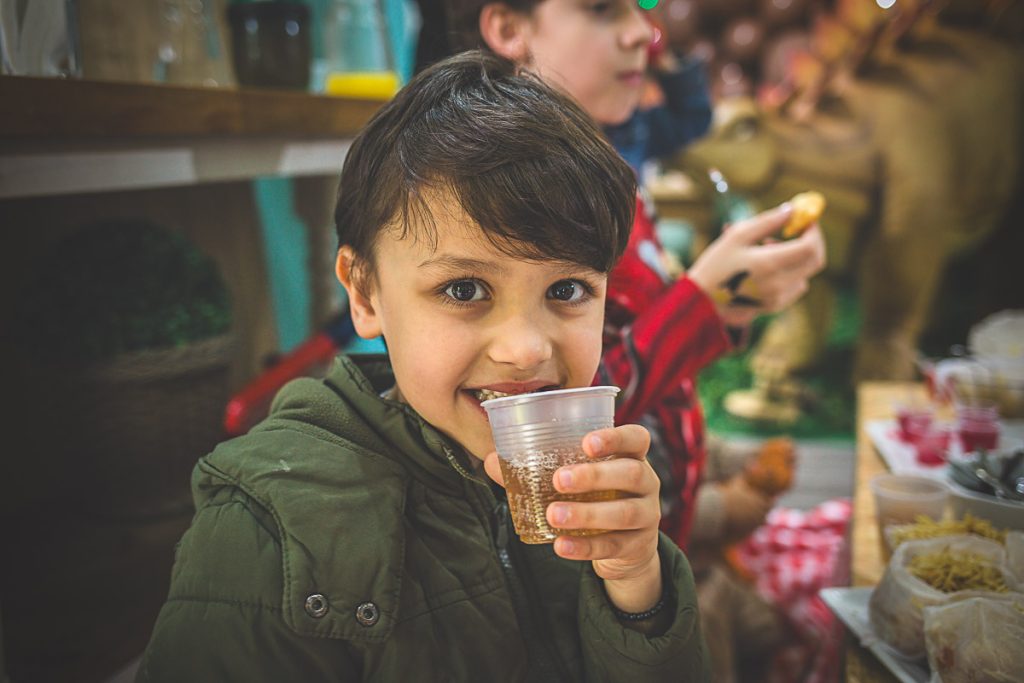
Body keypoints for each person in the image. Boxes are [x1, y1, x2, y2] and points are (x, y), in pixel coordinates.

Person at [136, 51, 711, 681]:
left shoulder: (585, 486)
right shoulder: (265, 536)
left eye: (567, 290)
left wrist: (638, 591)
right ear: (363, 293)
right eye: (465, 290)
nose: (525, 349)